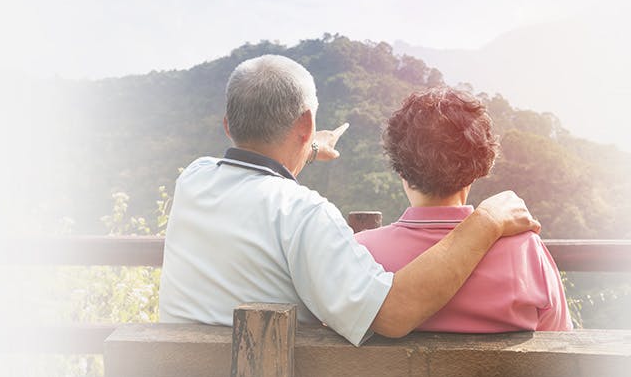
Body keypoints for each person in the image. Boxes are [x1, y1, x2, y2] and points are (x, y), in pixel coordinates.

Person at [157, 54, 540, 345]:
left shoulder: (193, 178)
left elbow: (258, 167)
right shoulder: (305, 214)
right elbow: (391, 315)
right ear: (306, 124)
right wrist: (487, 221)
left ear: (228, 125)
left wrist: (307, 148)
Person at [354, 87, 572, 332]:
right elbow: (559, 342)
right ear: (480, 166)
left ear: (400, 168)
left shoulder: (360, 253)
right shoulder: (526, 252)